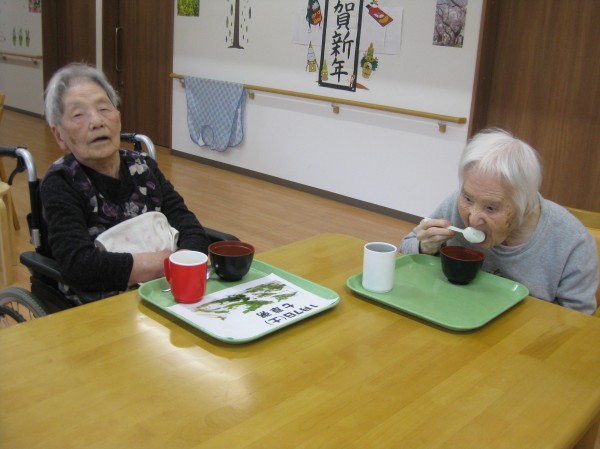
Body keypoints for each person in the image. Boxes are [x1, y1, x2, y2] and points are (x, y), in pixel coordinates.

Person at [42, 63, 210, 304]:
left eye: (104, 108)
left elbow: (186, 222)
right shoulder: (61, 182)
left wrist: (185, 260)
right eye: (78, 114)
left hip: (166, 291)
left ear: (118, 118)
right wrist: (163, 263)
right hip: (103, 304)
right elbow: (79, 264)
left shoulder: (142, 166)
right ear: (59, 135)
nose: (96, 121)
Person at [400, 128, 598, 314]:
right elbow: (406, 248)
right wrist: (424, 248)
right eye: (467, 198)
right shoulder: (455, 206)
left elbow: (578, 323)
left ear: (525, 206)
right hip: (453, 316)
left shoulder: (573, 242)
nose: (473, 219)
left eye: (491, 208)